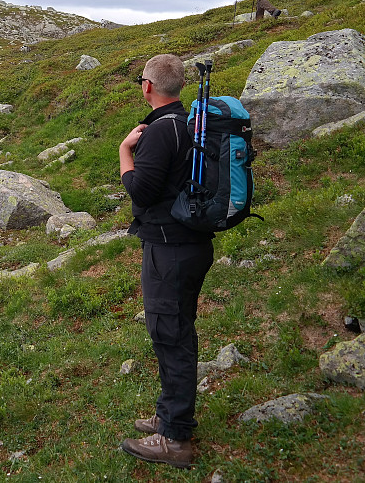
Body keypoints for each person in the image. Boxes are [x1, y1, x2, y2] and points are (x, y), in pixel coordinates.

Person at [118, 54, 214, 469]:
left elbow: (141, 191)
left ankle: (175, 440)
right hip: (190, 244)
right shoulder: (189, 124)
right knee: (177, 332)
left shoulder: (160, 131)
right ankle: (170, 413)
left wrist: (124, 151)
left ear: (148, 87)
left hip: (168, 248)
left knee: (169, 336)